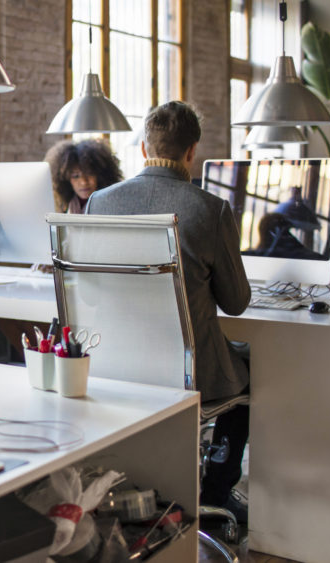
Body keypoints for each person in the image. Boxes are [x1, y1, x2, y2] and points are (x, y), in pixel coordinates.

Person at [84, 101, 251, 520]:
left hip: (117, 368)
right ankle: (217, 488)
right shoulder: (210, 209)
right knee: (255, 364)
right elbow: (237, 302)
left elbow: (88, 297)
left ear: (144, 148)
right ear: (192, 151)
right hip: (189, 373)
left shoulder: (99, 203)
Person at [44, 138, 123, 213]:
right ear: (65, 179)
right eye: (76, 176)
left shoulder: (114, 205)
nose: (83, 182)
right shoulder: (64, 207)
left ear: (100, 175)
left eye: (90, 174)